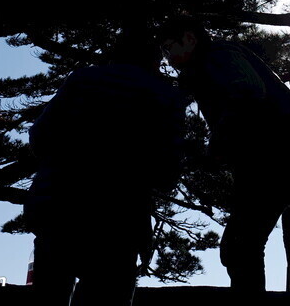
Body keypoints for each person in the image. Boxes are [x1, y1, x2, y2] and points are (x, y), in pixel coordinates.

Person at [158, 16, 290, 292]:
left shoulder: (218, 55)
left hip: (281, 157)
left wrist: (217, 145)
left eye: (169, 47)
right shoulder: (208, 65)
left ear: (190, 39)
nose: (167, 57)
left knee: (242, 244)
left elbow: (247, 91)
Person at [24, 30, 187, 306]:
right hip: (120, 213)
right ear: (153, 62)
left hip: (58, 202)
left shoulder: (81, 79)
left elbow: (40, 135)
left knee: (49, 296)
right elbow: (167, 169)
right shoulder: (166, 95)